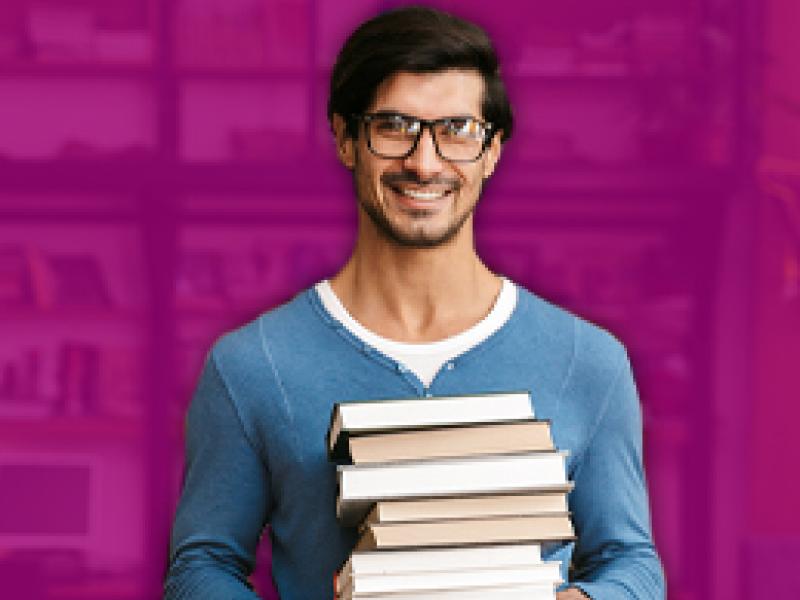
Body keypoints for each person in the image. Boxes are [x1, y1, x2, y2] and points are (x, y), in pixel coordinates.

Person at [164, 6, 665, 599]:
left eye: (456, 131)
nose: (424, 162)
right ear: (346, 139)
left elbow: (631, 563)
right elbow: (203, 568)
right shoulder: (250, 366)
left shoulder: (590, 361)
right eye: (394, 126)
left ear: (493, 150)